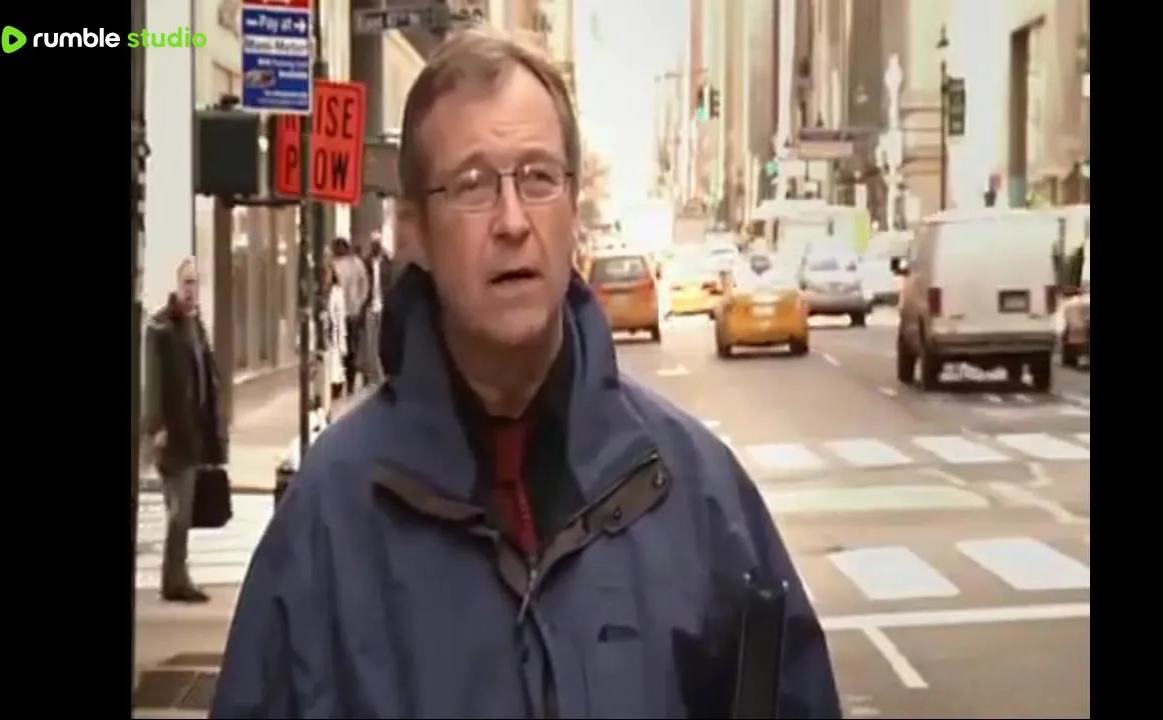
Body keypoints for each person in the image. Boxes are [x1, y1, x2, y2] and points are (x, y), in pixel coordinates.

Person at [211, 29, 841, 719]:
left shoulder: (699, 496)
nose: (512, 221)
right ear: (413, 230)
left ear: (573, 210)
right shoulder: (329, 522)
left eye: (538, 178)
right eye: (473, 185)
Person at [143, 257, 226, 604]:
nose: (191, 289)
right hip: (173, 433)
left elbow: (207, 376)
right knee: (179, 513)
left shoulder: (196, 326)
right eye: (186, 282)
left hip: (194, 432)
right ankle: (175, 579)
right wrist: (156, 426)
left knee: (184, 511)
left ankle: (175, 576)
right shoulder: (161, 328)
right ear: (177, 285)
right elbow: (153, 382)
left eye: (195, 282)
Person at [331, 237, 369, 394]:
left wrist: (359, 303)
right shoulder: (334, 264)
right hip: (341, 312)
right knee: (341, 349)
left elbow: (364, 284)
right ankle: (341, 383)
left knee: (348, 348)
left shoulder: (355, 264)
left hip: (350, 312)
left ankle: (348, 382)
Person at [362, 231, 395, 386]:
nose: (376, 246)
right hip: (370, 305)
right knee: (370, 342)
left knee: (382, 340)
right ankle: (372, 375)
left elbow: (391, 282)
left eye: (378, 243)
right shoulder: (367, 262)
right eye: (373, 243)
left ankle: (382, 373)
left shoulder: (387, 262)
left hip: (383, 304)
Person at [324, 264, 349, 402]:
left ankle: (336, 385)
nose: (326, 277)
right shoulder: (320, 292)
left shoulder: (337, 292)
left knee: (335, 361)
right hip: (324, 333)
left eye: (328, 273)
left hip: (334, 332)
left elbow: (340, 316)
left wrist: (342, 338)